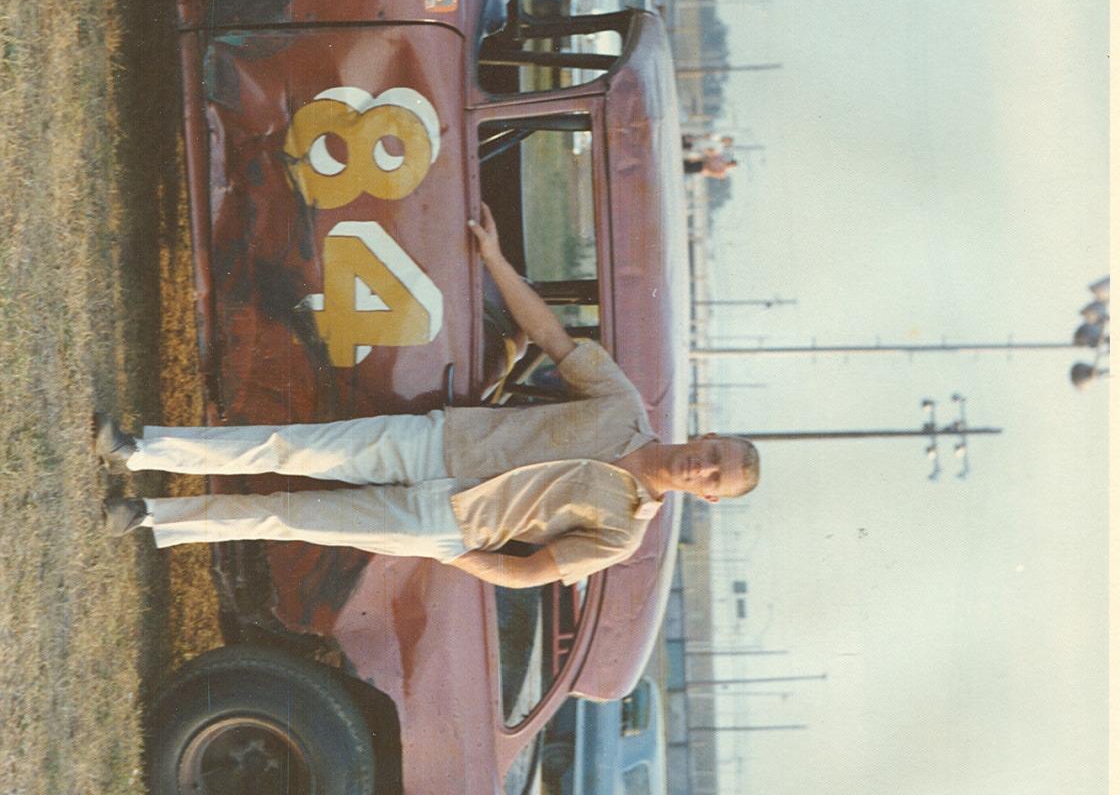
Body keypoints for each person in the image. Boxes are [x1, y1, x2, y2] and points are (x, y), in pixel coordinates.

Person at [96, 207, 760, 589]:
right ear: (706, 436)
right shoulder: (623, 404)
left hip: (442, 523)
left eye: (714, 479)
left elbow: (527, 573)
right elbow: (551, 336)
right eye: (714, 455)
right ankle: (137, 449)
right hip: (435, 441)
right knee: (287, 447)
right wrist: (494, 259)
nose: (703, 467)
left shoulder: (621, 535)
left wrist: (448, 550)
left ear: (706, 497)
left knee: (286, 516)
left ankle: (149, 515)